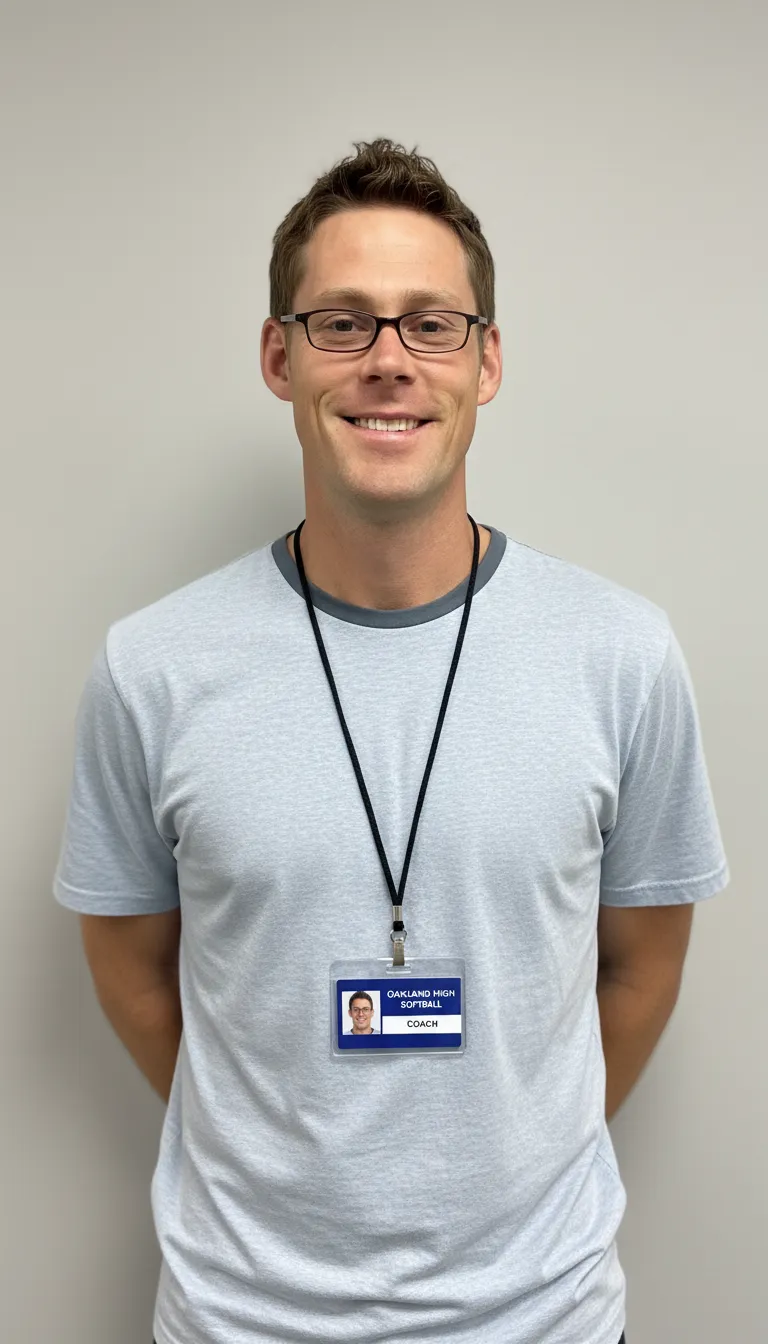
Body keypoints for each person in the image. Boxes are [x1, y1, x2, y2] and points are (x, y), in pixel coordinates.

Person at [53, 137, 729, 1344]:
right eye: (342, 323)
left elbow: (641, 969)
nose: (387, 363)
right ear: (277, 357)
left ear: (489, 360)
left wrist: (515, 1148)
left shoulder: (622, 654)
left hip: (545, 1319)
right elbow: (133, 976)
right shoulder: (152, 668)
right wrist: (277, 1152)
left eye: (430, 325)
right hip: (240, 1320)